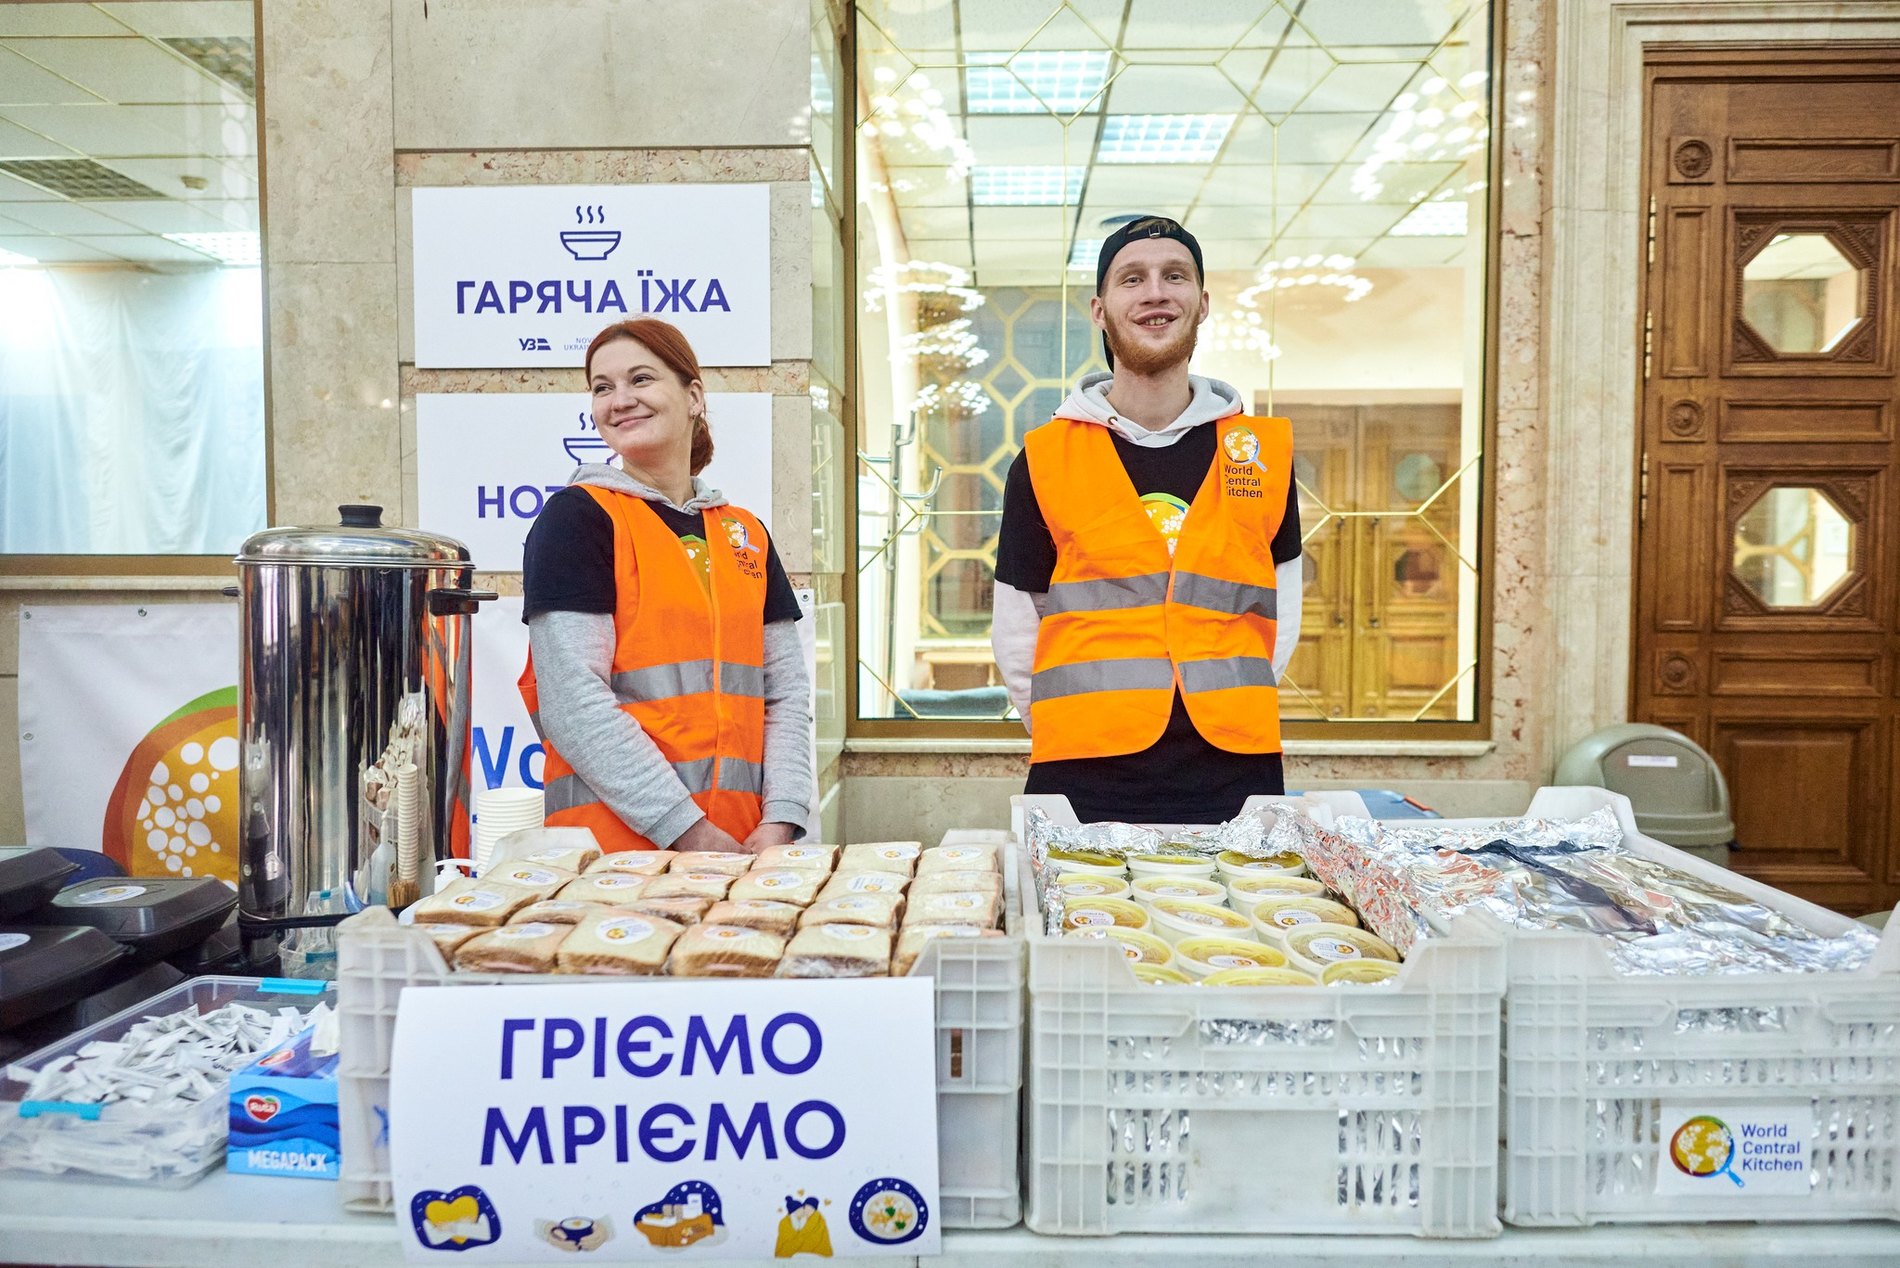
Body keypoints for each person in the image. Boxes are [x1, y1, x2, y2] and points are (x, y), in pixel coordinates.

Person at [991, 216, 1302, 824]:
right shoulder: (1046, 458)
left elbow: (1281, 615)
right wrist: (1070, 721)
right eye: (1132, 279)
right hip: (1082, 771)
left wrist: (1226, 710)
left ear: (1203, 303)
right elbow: (1017, 630)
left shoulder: (1262, 454)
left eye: (1174, 276)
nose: (1155, 292)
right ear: (1100, 310)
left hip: (1236, 768)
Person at [519, 318, 812, 853]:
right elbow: (573, 702)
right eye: (602, 388)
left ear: (693, 397)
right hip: (615, 862)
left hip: (745, 851)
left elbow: (785, 692)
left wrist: (782, 818)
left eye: (641, 379)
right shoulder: (578, 519)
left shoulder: (744, 533)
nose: (619, 400)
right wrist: (689, 832)